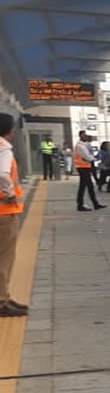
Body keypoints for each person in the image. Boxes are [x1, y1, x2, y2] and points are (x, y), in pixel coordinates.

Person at [0, 114, 27, 317]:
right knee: (4, 258)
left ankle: (5, 297)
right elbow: (2, 174)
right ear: (10, 130)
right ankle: (2, 301)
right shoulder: (3, 148)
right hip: (4, 212)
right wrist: (9, 194)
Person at [73, 131, 105, 212]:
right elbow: (88, 157)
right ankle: (87, 204)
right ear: (80, 136)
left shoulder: (82, 145)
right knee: (88, 186)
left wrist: (91, 158)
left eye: (86, 135)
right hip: (83, 168)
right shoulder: (80, 146)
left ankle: (90, 204)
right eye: (84, 135)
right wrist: (94, 158)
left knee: (84, 186)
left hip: (84, 167)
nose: (86, 136)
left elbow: (88, 156)